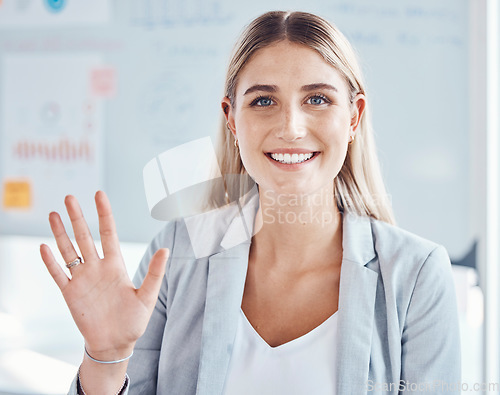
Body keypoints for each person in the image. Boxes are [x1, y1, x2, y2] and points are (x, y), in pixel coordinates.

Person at [40, 10, 461, 395]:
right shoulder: (178, 253)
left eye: (317, 99)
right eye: (263, 100)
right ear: (232, 118)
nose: (291, 128)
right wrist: (106, 356)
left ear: (353, 117)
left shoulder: (417, 276)